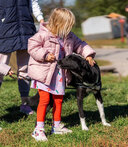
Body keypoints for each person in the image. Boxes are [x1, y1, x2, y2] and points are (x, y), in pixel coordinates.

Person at [28, 8, 96, 141]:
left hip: (59, 74)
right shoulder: (43, 34)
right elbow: (32, 47)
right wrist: (45, 55)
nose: (69, 30)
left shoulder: (68, 36)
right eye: (67, 26)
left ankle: (56, 126)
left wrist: (88, 54)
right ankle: (38, 130)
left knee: (58, 100)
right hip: (44, 73)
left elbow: (80, 44)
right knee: (45, 100)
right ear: (58, 23)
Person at [0, 0, 44, 120]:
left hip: (26, 29)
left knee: (24, 69)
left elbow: (33, 2)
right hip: (4, 30)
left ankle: (25, 103)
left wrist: (41, 20)